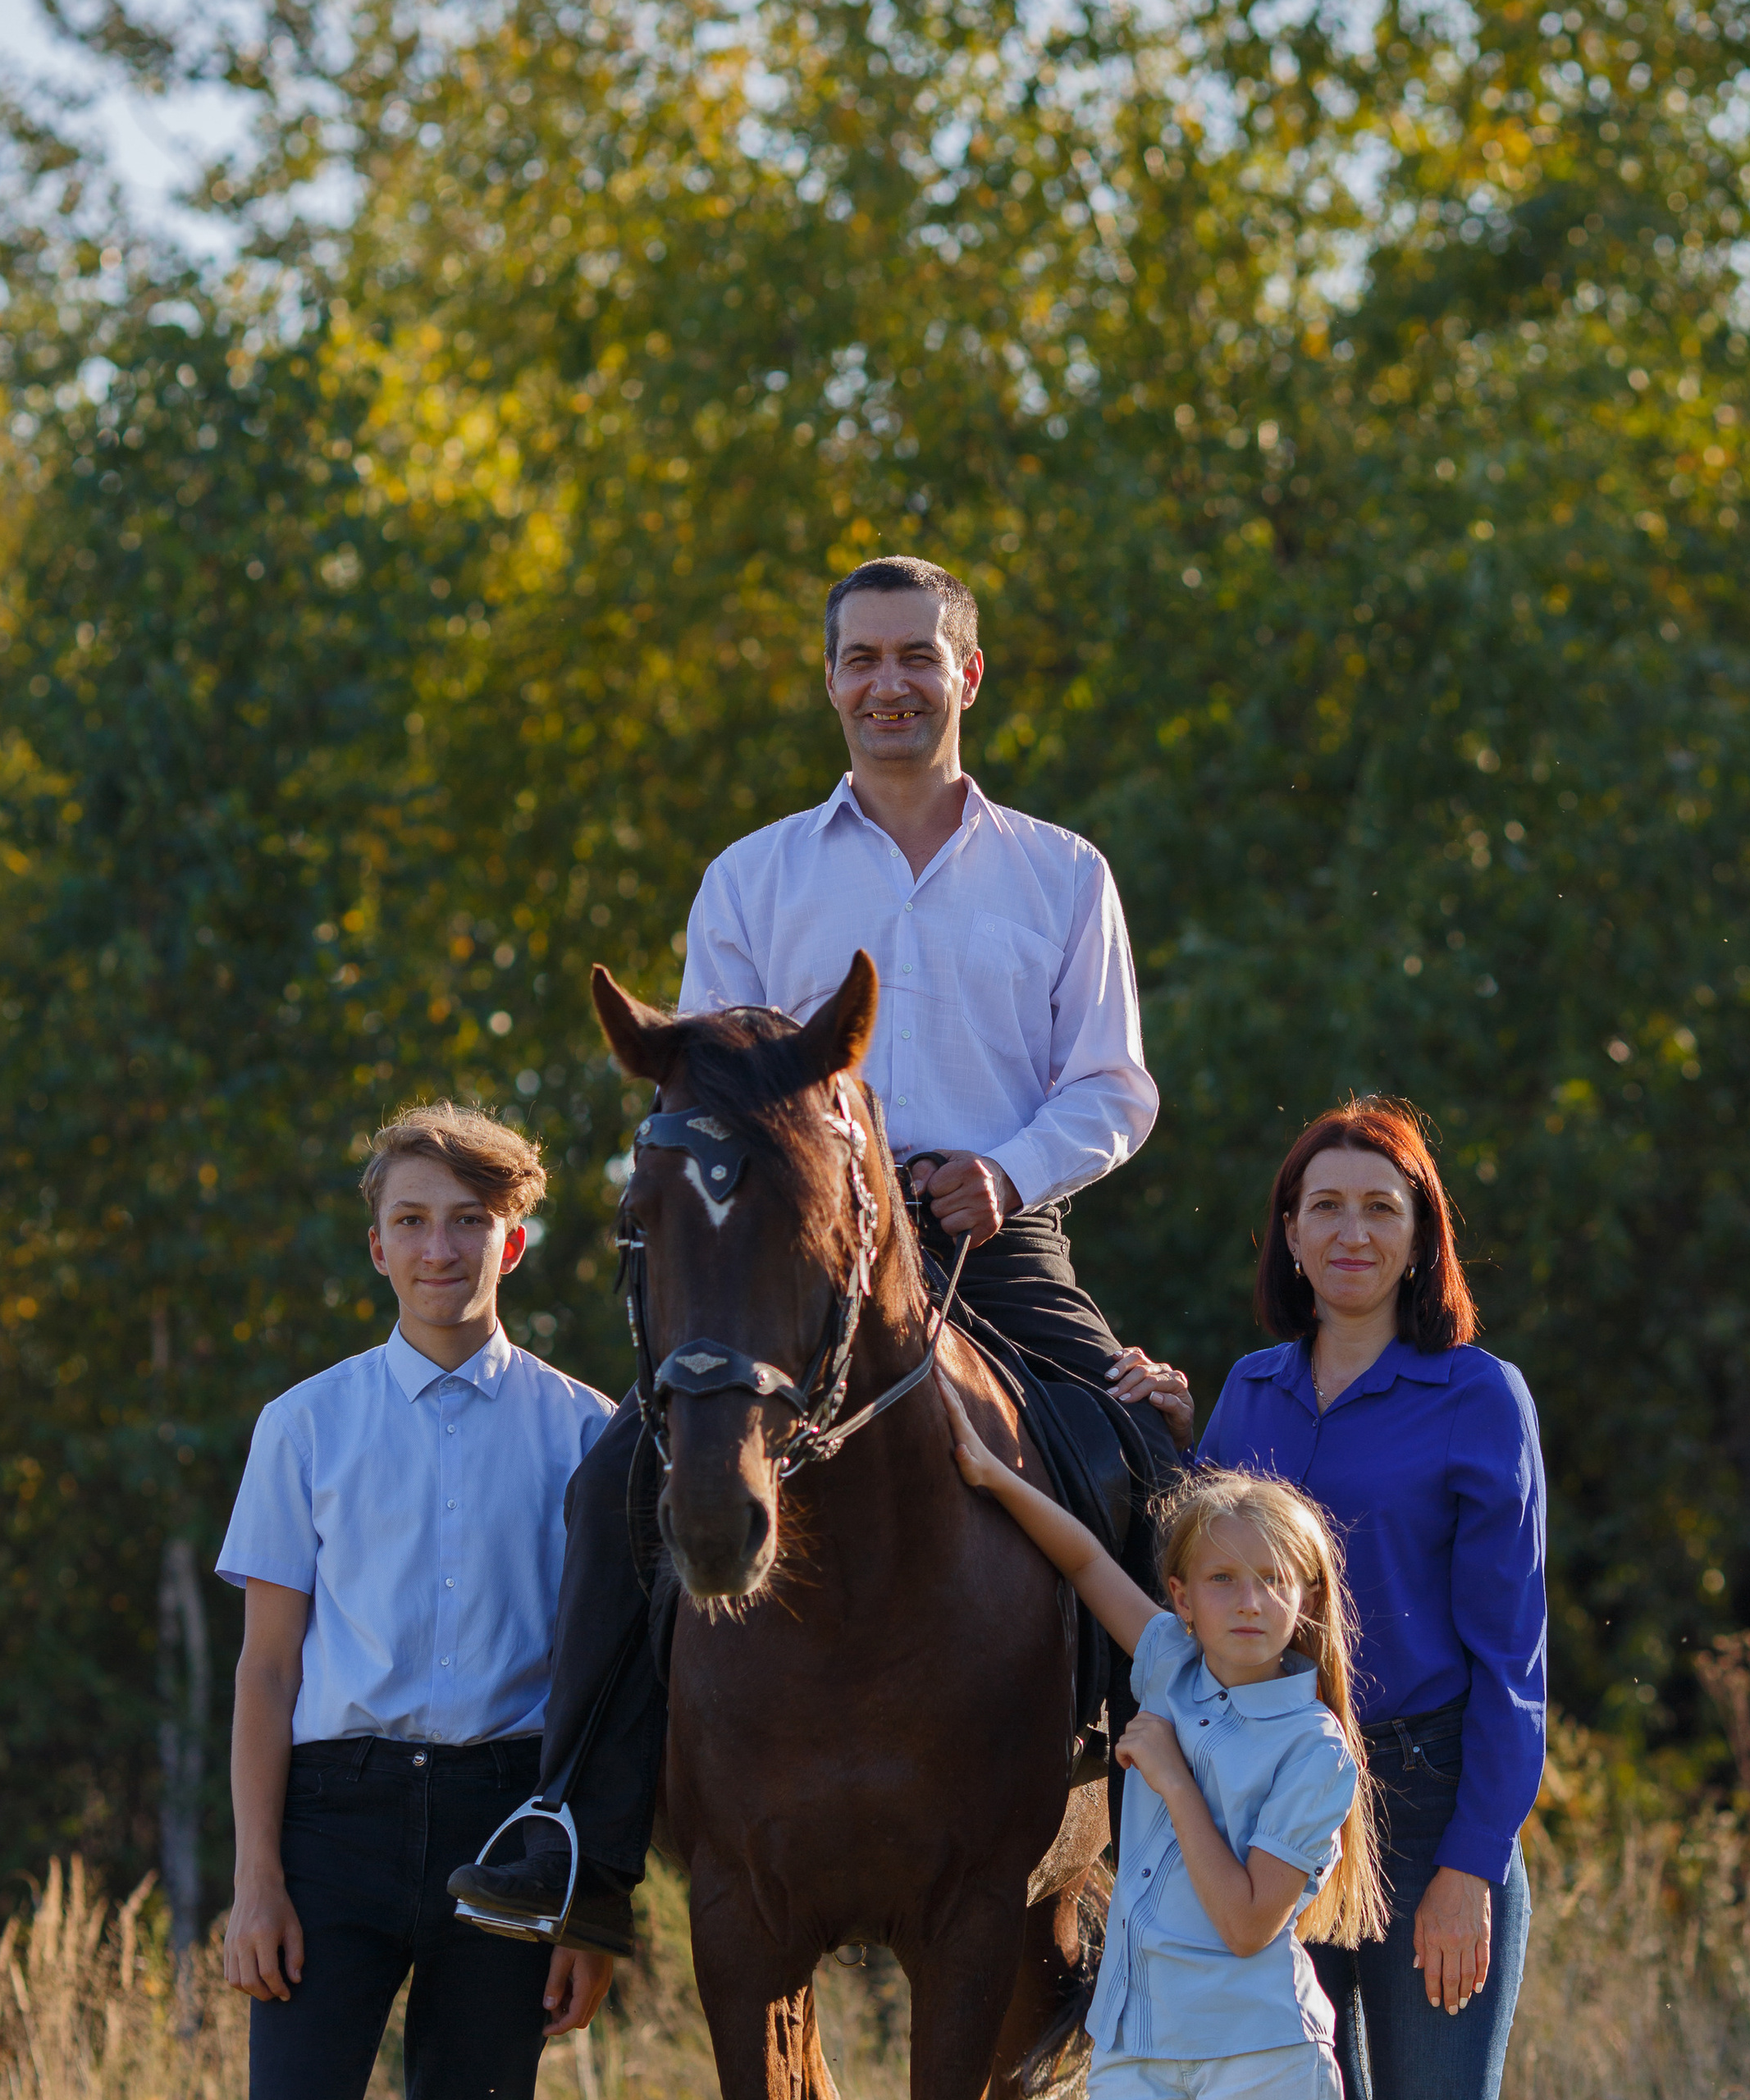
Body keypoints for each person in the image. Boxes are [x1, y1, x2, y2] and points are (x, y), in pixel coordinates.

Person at [450, 553, 1194, 1946]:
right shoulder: (755, 875)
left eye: (918, 656)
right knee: (617, 1478)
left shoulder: (1062, 873)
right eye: (862, 659)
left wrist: (1005, 1169)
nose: (889, 683)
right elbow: (706, 1086)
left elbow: (1114, 1086)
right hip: (787, 1262)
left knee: (1142, 1462)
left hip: (993, 1244)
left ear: (965, 675)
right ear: (833, 682)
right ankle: (577, 1830)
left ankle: (1165, 1843)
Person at [217, 1102, 614, 2100]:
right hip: (331, 1827)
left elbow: (603, 1690)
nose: (440, 1247)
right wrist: (256, 1880)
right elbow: (267, 1671)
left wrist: (592, 1907)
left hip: (509, 1829)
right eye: (411, 1220)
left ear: (512, 1241)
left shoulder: (590, 1437)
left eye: (470, 1218)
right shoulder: (302, 1427)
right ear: (377, 1247)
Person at [1190, 1096, 1547, 2100]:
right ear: (1290, 1234)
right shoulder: (1247, 1392)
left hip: (1424, 1805)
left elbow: (1512, 1663)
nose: (1354, 1232)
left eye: (1382, 1208)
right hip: (1266, 1803)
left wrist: (1471, 1865)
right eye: (1327, 1207)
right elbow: (1197, 1582)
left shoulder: (1478, 1397)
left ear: (1421, 1234)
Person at [941, 1386, 1387, 2099]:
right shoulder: (1168, 1660)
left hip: (1258, 2056)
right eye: (1223, 1580)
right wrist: (994, 1473)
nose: (1250, 1602)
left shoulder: (1315, 1748)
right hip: (1131, 2049)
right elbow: (1085, 1563)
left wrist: (1173, 1780)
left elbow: (1245, 1925)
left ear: (1306, 1596)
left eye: (1273, 1580)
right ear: (1182, 1598)